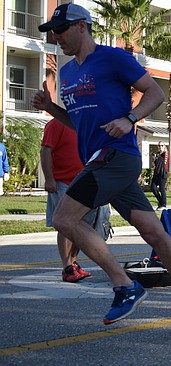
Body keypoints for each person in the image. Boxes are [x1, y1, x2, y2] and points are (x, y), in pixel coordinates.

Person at [32, 2, 171, 341]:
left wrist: (130, 119)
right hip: (100, 160)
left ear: (82, 26)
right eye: (52, 32)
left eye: (60, 30)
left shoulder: (113, 58)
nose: (56, 37)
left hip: (116, 155)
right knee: (154, 233)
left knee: (64, 218)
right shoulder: (68, 72)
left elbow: (155, 93)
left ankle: (125, 285)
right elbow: (78, 123)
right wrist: (51, 108)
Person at [41, 118, 97, 282]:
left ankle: (73, 263)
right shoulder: (56, 123)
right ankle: (67, 267)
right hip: (62, 183)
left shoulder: (85, 123)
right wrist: (49, 178)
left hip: (84, 182)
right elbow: (45, 150)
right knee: (65, 225)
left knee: (81, 225)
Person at [151, 142, 169, 210]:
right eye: (159, 145)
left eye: (162, 145)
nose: (160, 147)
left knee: (162, 189)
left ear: (164, 146)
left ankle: (163, 204)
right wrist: (154, 159)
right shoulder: (158, 154)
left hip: (163, 173)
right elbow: (155, 164)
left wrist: (157, 157)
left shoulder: (165, 153)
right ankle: (161, 202)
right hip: (156, 173)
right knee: (153, 188)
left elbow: (164, 162)